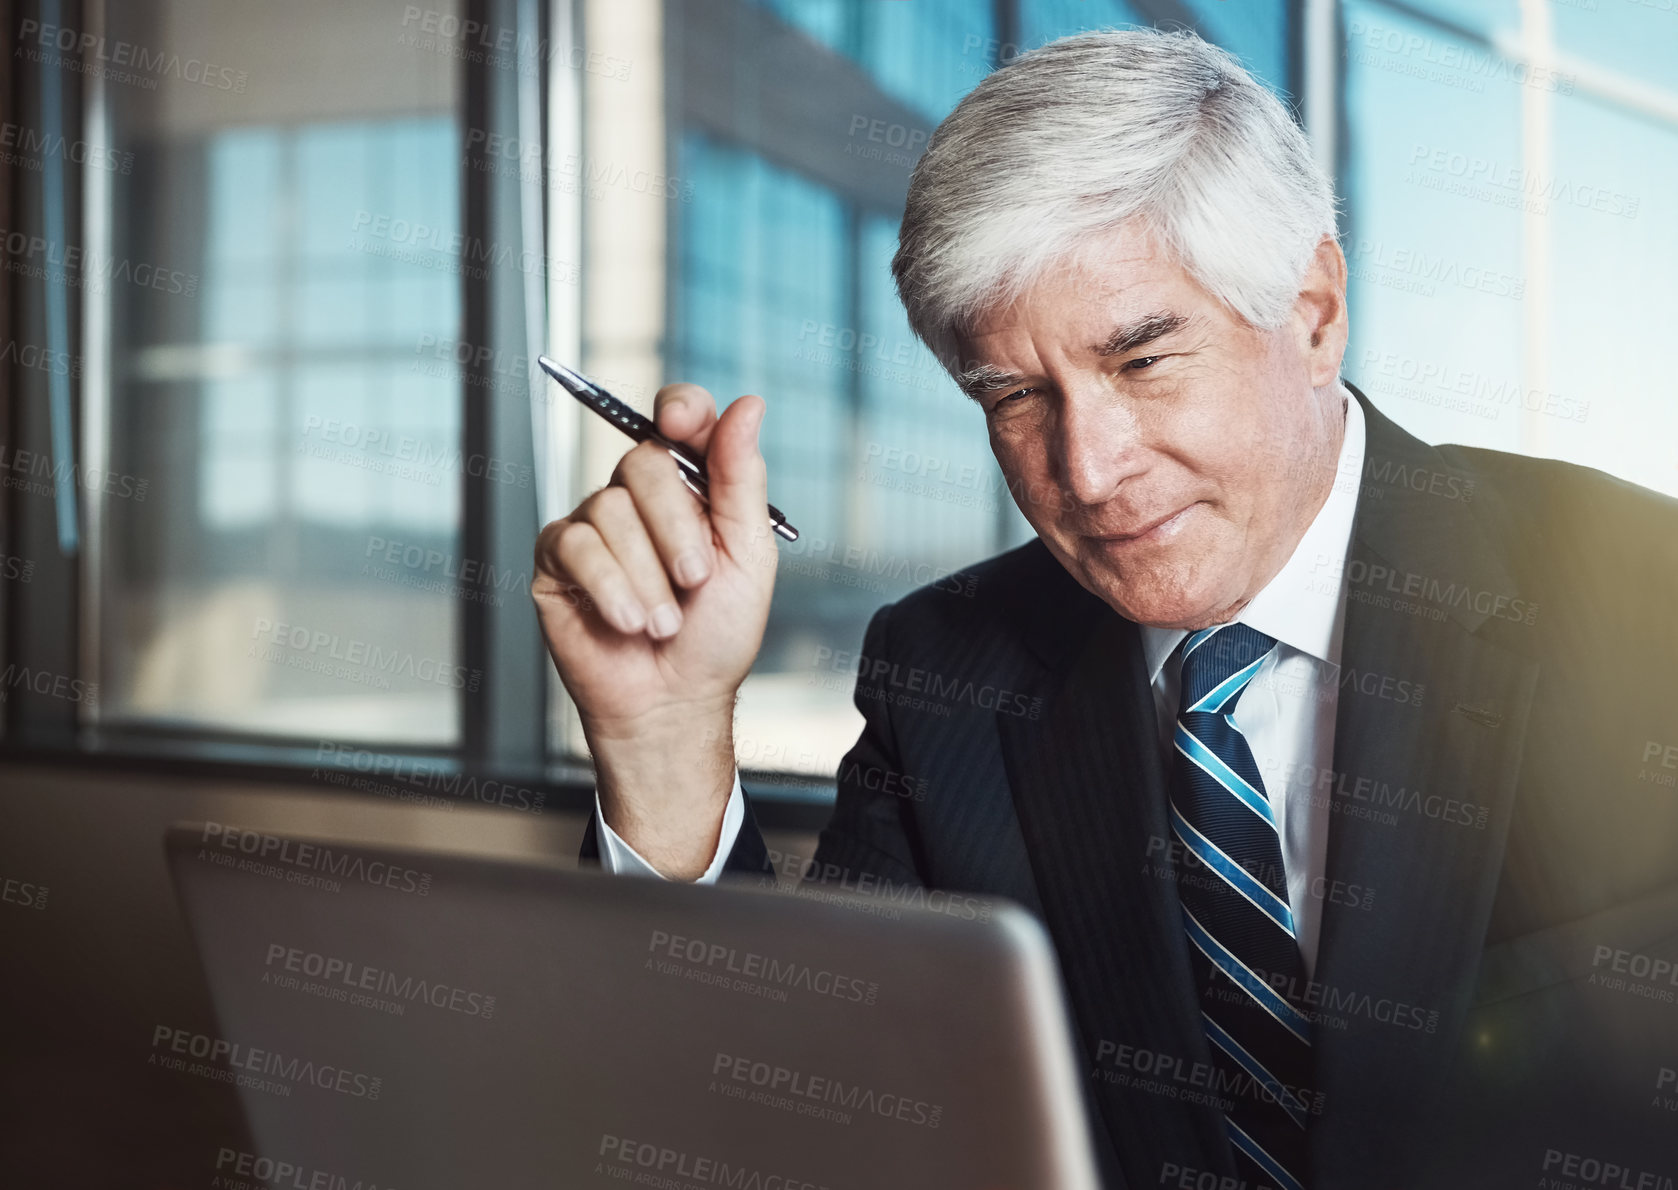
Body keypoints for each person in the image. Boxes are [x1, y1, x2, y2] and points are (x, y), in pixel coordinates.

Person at [531, 27, 1678, 1190]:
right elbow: (802, 1120)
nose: (1086, 468)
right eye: (1016, 395)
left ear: (1315, 309)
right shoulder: (949, 672)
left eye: (1140, 362)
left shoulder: (1645, 599)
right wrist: (666, 743)